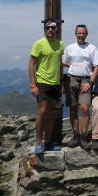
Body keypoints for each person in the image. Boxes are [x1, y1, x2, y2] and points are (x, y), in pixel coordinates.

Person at [63, 24, 98, 149]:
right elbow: (64, 62)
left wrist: (90, 82)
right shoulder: (70, 48)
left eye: (83, 33)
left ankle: (83, 136)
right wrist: (72, 68)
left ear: (86, 34)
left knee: (85, 108)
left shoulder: (91, 48)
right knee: (73, 108)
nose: (81, 35)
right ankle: (76, 135)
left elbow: (97, 66)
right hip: (71, 79)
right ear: (75, 34)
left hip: (86, 80)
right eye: (79, 33)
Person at [28, 19, 64, 154]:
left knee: (51, 113)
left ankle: (48, 142)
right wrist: (33, 84)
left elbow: (59, 64)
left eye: (52, 28)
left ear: (56, 30)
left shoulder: (60, 44)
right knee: (42, 112)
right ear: (44, 29)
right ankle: (38, 142)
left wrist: (61, 81)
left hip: (55, 83)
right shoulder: (38, 44)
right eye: (48, 27)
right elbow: (31, 64)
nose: (50, 30)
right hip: (42, 82)